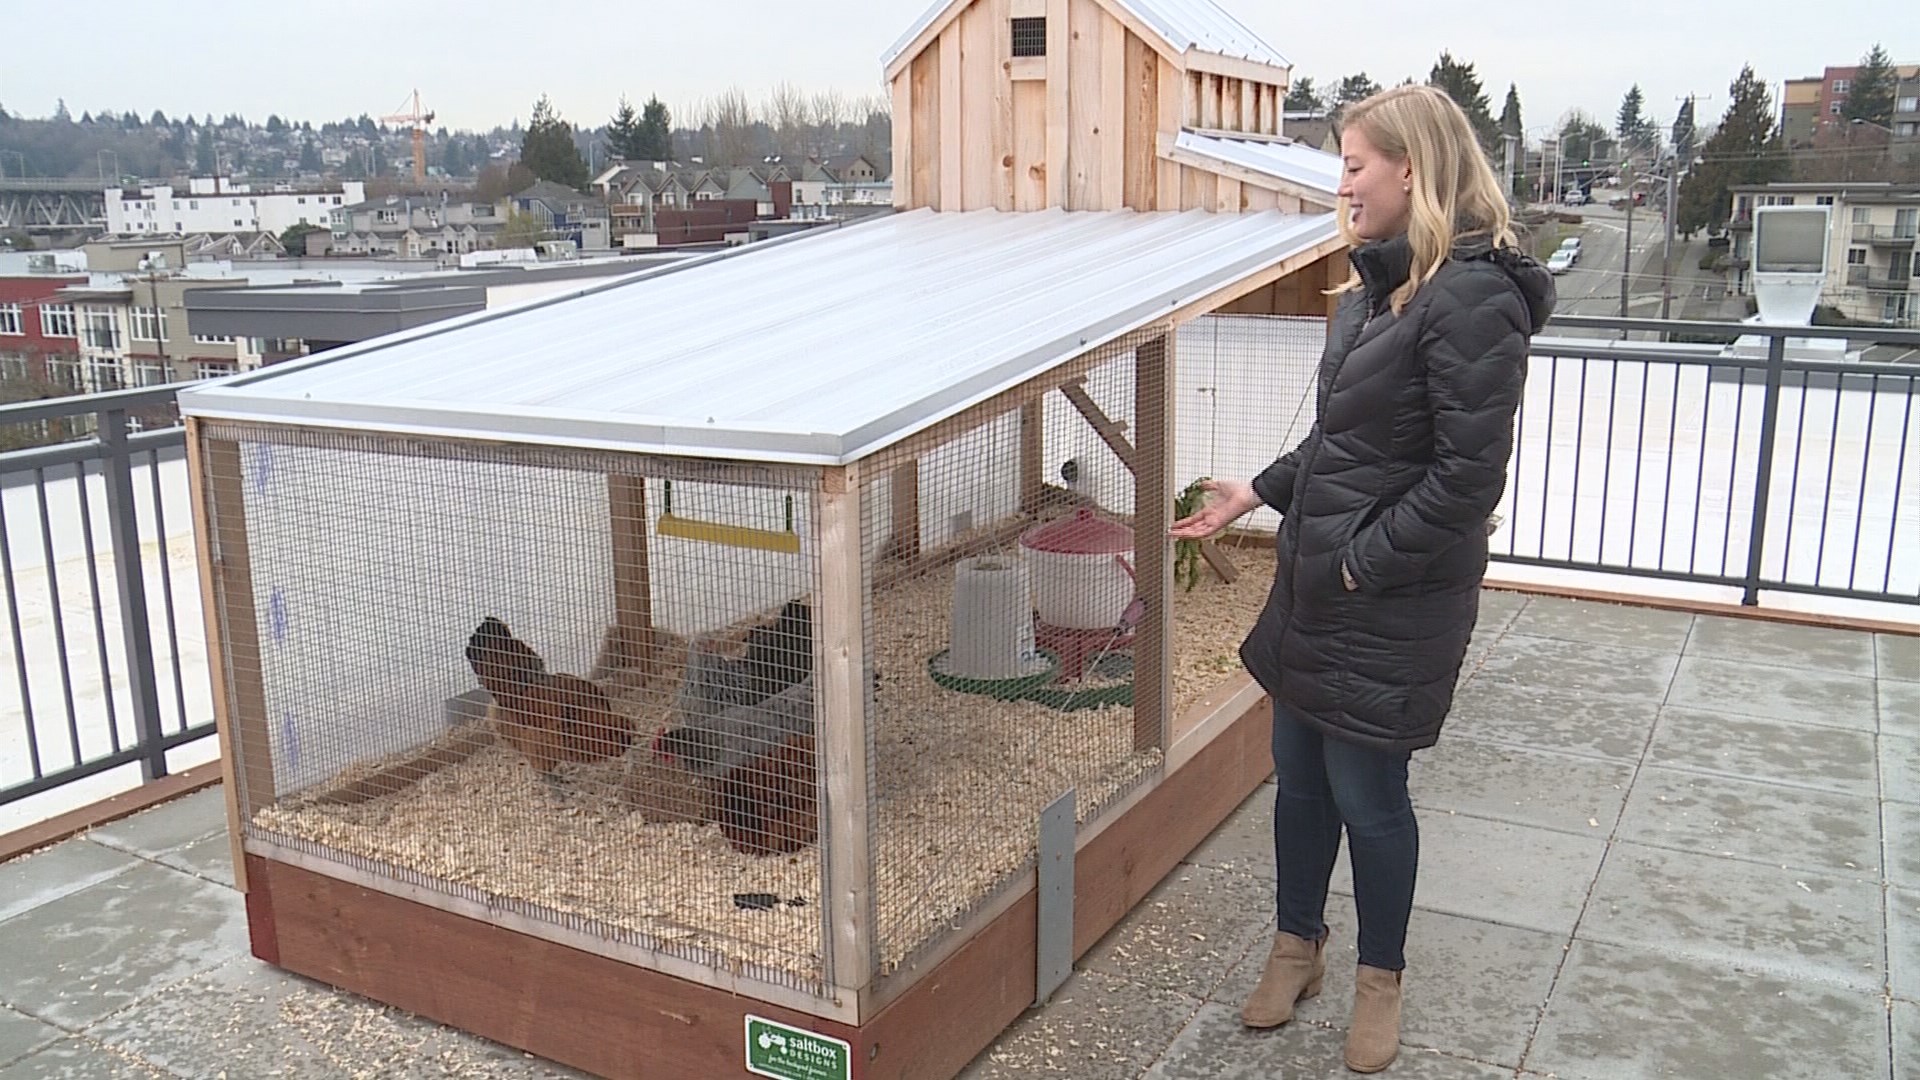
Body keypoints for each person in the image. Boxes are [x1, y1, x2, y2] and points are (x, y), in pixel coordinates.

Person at [1170, 84, 1555, 1074]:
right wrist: (1253, 491)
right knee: (1299, 782)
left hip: (1389, 599)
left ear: (1412, 171)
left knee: (1368, 793)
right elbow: (1339, 447)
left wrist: (1359, 564)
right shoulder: (1373, 290)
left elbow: (1467, 483)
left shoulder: (1472, 300)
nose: (1342, 184)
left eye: (1353, 165)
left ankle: (1380, 978)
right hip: (1321, 590)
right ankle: (1298, 949)